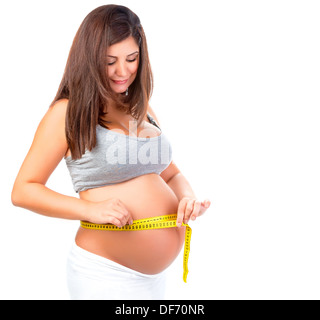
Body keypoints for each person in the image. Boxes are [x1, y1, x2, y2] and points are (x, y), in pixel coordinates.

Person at [11, 4, 211, 300]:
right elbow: (23, 190)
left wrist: (187, 199)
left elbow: (171, 173)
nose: (123, 71)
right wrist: (90, 210)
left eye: (132, 58)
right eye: (109, 61)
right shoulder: (67, 113)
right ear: (90, 60)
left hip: (154, 280)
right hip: (103, 274)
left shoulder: (140, 107)